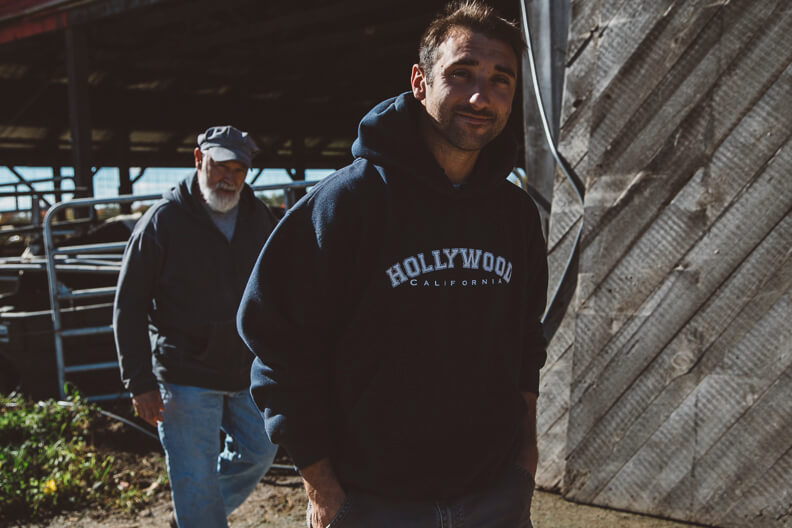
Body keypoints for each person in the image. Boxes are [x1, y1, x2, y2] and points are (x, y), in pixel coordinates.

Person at [238, 2, 548, 527]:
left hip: (495, 495)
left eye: (501, 79)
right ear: (420, 81)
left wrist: (526, 457)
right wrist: (322, 485)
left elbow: (524, 341)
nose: (481, 96)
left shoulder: (514, 213)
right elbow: (278, 346)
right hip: (374, 501)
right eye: (461, 73)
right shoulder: (345, 204)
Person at [113, 125, 279, 528]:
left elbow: (280, 288)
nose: (229, 177)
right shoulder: (162, 222)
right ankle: (198, 512)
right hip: (184, 374)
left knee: (260, 451)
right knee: (193, 476)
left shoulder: (260, 219)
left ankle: (194, 513)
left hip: (245, 369)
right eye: (220, 164)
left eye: (239, 169)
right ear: (198, 160)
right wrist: (139, 381)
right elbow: (129, 305)